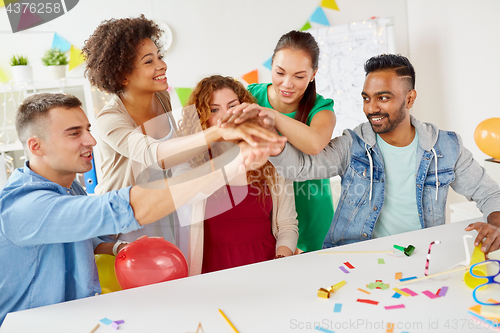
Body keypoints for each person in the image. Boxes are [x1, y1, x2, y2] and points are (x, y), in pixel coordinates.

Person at [0, 93, 281, 324]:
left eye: (87, 129)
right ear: (36, 146)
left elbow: (86, 233)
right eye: (75, 133)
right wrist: (233, 165)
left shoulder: (68, 187)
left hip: (77, 319)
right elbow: (132, 204)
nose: (91, 141)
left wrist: (116, 247)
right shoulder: (24, 207)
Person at [268, 54, 500, 254]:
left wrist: (497, 224)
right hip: (356, 259)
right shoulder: (353, 144)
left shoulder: (446, 147)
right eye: (366, 98)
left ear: (409, 99)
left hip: (420, 256)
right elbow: (299, 169)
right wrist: (266, 134)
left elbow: (490, 193)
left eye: (383, 98)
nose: (371, 108)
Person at [82, 15, 281, 247]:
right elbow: (155, 155)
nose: (162, 65)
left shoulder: (162, 97)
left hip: (163, 210)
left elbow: (178, 159)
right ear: (122, 75)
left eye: (160, 56)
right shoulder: (110, 119)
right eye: (149, 61)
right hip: (126, 222)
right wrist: (218, 132)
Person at [219, 30, 337, 253]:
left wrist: (271, 115)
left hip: (310, 209)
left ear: (313, 74)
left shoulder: (321, 110)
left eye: (299, 76)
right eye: (280, 72)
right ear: (271, 64)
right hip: (262, 210)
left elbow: (314, 144)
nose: (287, 84)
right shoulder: (250, 96)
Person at [173, 75, 298, 274]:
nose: (226, 116)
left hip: (266, 267)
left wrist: (281, 260)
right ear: (201, 117)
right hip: (212, 274)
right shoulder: (187, 162)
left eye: (232, 106)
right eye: (214, 109)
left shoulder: (269, 158)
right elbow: (186, 193)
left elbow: (287, 224)